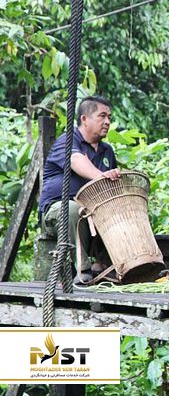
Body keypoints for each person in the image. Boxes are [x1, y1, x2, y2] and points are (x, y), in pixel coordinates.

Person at [39, 96, 121, 284]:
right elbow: (77, 162)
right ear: (84, 119)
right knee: (73, 208)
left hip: (92, 211)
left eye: (109, 117)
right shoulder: (68, 141)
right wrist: (103, 176)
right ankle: (82, 270)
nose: (107, 122)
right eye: (102, 116)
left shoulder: (107, 151)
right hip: (58, 212)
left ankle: (107, 265)